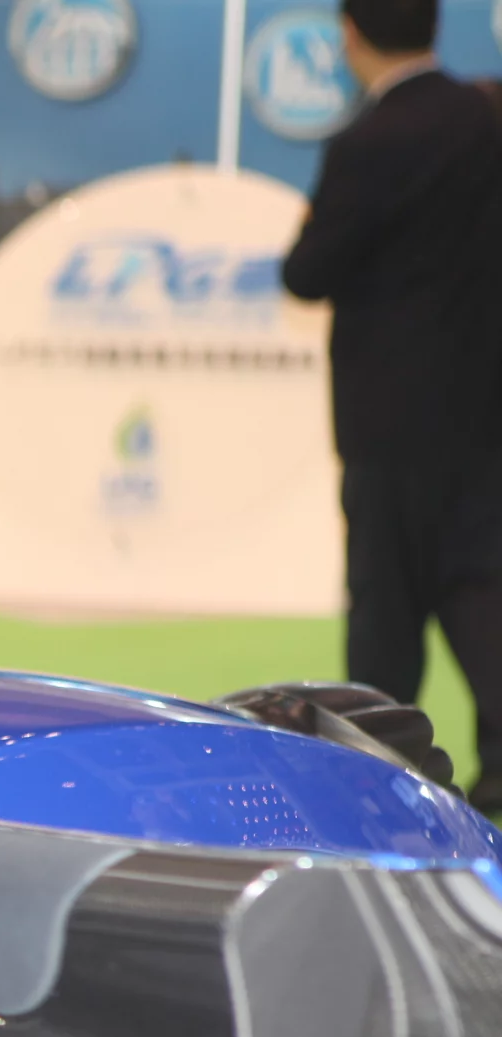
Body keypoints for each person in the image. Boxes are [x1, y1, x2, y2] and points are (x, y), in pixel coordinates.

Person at [282, 0, 502, 806]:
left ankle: (375, 773)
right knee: (482, 587)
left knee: (385, 610)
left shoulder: (367, 143)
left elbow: (306, 273)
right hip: (483, 406)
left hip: (389, 416)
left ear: (350, 34)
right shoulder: (487, 119)